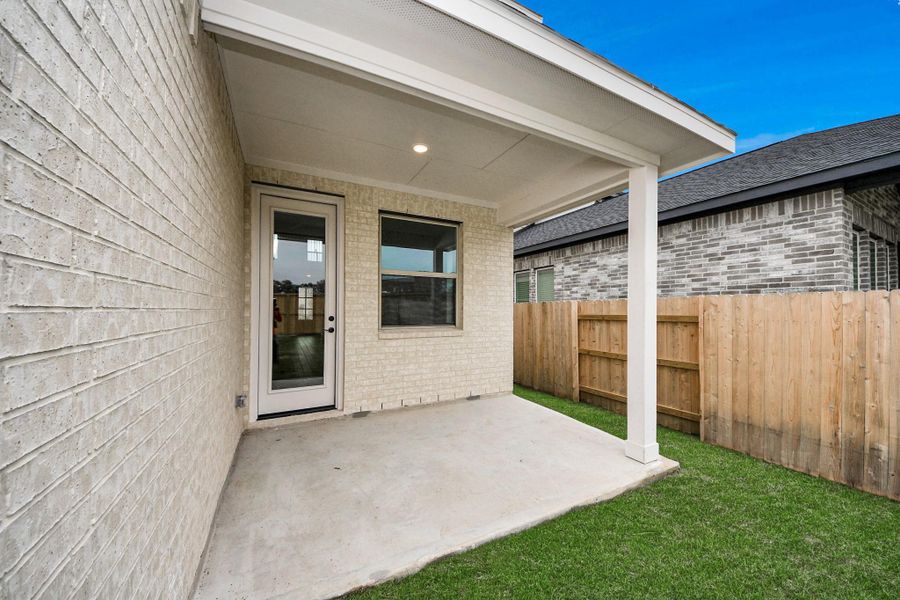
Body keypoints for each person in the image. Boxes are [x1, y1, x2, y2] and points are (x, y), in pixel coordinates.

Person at [273, 298, 283, 363]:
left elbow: (279, 319)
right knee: (274, 344)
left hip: (272, 330)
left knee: (275, 344)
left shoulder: (275, 309)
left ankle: (275, 359)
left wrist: (277, 312)